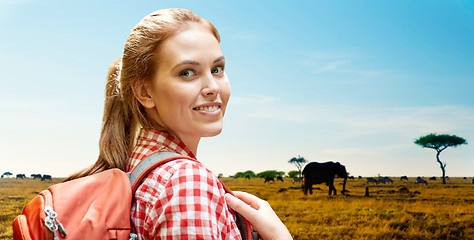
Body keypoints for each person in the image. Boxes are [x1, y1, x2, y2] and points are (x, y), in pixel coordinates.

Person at [66, 8, 292, 239]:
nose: (212, 87)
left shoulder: (131, 166)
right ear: (145, 92)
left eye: (217, 69)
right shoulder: (187, 182)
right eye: (187, 73)